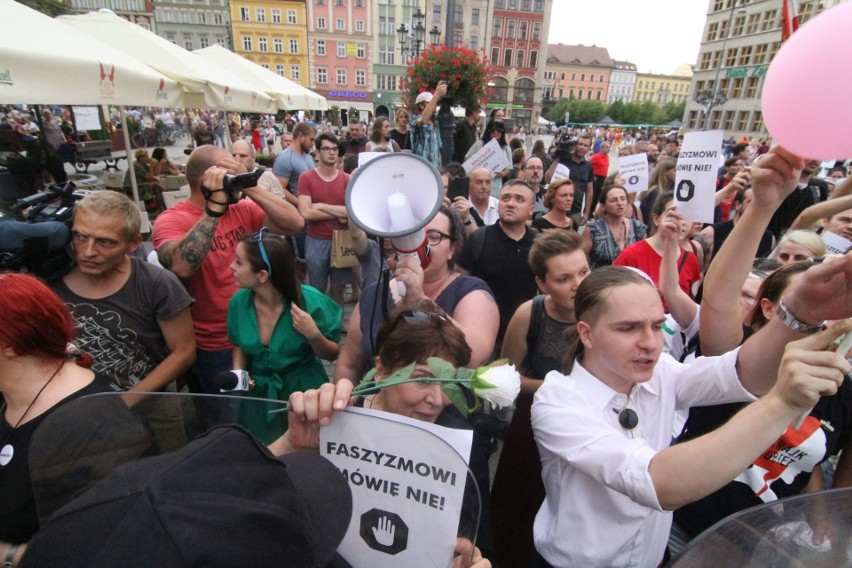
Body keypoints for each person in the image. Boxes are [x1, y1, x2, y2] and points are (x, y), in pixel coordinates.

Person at [531, 262, 852, 567]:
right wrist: (782, 402)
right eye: (628, 328)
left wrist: (799, 312)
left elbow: (742, 372)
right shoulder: (558, 401)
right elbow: (660, 484)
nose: (650, 343)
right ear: (586, 334)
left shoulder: (661, 372)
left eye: (657, 326)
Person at [274, 300, 496, 566]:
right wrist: (292, 445)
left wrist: (478, 562)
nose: (437, 399)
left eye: (449, 384)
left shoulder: (461, 446)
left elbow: (480, 543)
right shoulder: (334, 422)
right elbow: (257, 504)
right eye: (423, 379)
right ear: (381, 370)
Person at [152, 144, 303, 412]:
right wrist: (214, 209)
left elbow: (295, 223)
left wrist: (248, 186)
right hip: (215, 346)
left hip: (257, 335)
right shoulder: (172, 220)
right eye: (229, 171)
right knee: (228, 417)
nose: (237, 173)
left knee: (262, 412)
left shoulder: (242, 209)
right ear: (206, 180)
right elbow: (181, 267)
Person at [492, 229, 590, 567]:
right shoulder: (528, 314)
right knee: (520, 509)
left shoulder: (603, 310)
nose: (578, 284)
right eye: (564, 278)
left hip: (587, 432)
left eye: (583, 272)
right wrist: (551, 386)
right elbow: (504, 378)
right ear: (542, 283)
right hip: (533, 433)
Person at [0, 273, 109, 552]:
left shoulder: (91, 425)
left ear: (9, 345)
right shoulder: (10, 393)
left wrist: (11, 556)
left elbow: (97, 541)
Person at [53, 191, 195, 395]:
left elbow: (184, 352)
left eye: (105, 242)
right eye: (80, 236)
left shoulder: (156, 284)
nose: (88, 251)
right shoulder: (51, 281)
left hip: (148, 409)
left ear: (134, 243)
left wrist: (126, 402)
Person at [334, 207, 498, 382]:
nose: (421, 244)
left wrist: (419, 300)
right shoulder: (374, 293)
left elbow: (474, 358)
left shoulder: (471, 292)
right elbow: (349, 365)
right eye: (412, 235)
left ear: (452, 249)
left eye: (433, 237)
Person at [228, 228, 341, 443]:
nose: (231, 267)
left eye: (239, 262)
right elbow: (239, 346)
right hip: (258, 397)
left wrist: (313, 334)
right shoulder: (238, 303)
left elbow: (332, 354)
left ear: (262, 275)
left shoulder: (311, 301)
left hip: (303, 392)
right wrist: (239, 379)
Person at [456, 180, 539, 351]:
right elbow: (458, 283)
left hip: (523, 338)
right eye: (506, 198)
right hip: (482, 336)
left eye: (519, 199)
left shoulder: (538, 244)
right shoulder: (480, 239)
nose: (510, 203)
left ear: (532, 209)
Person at [296, 133, 351, 307]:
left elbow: (352, 213)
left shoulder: (346, 179)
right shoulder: (306, 178)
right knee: (317, 287)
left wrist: (320, 205)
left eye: (334, 149)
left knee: (339, 287)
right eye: (326, 148)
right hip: (316, 239)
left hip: (342, 240)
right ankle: (319, 322)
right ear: (318, 152)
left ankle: (336, 321)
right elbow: (306, 213)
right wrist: (339, 213)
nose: (331, 152)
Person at [614, 191, 701, 300]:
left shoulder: (691, 259)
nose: (681, 222)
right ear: (656, 219)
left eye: (686, 216)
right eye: (673, 215)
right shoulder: (631, 254)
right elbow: (613, 291)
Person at [584, 184, 647, 269]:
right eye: (613, 200)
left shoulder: (638, 228)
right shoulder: (593, 229)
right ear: (603, 206)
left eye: (623, 199)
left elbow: (643, 259)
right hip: (600, 279)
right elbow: (583, 258)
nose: (620, 203)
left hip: (629, 278)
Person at [545, 134, 595, 224]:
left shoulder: (589, 166)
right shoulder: (562, 161)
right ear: (575, 145)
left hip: (575, 211)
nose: (582, 147)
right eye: (580, 144)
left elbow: (589, 191)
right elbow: (548, 179)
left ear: (589, 149)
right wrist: (557, 158)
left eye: (586, 145)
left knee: (572, 237)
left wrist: (587, 212)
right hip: (557, 208)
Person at [464, 120, 512, 198]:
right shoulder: (480, 143)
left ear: (502, 132)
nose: (496, 132)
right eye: (493, 131)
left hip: (496, 184)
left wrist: (502, 173)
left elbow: (509, 169)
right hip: (478, 181)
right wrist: (475, 169)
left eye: (499, 131)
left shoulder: (506, 148)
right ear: (488, 131)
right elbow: (467, 158)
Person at [411, 83, 447, 167]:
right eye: (429, 103)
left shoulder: (435, 123)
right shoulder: (414, 119)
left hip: (434, 168)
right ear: (420, 105)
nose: (434, 105)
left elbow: (438, 148)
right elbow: (423, 120)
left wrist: (440, 168)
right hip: (420, 167)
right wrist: (436, 96)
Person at [124, 149, 166, 217]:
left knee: (156, 184)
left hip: (139, 185)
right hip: (132, 187)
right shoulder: (137, 166)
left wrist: (158, 164)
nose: (148, 158)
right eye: (146, 156)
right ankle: (160, 208)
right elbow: (150, 178)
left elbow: (155, 173)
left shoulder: (142, 165)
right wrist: (151, 166)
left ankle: (160, 207)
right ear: (141, 158)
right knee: (157, 186)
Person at [639, 158, 676, 225]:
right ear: (665, 172)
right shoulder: (655, 192)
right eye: (675, 170)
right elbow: (649, 218)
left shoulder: (667, 189)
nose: (678, 173)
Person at [589, 141, 611, 207]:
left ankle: (592, 212)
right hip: (596, 178)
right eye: (607, 147)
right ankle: (588, 212)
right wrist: (592, 176)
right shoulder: (596, 157)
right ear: (602, 148)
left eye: (609, 147)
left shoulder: (607, 157)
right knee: (593, 196)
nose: (608, 149)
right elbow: (588, 165)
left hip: (603, 179)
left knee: (598, 197)